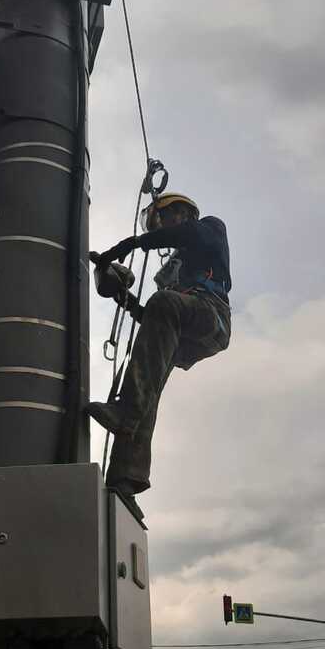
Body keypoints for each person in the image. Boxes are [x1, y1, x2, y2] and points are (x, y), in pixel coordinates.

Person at [87, 193, 231, 514]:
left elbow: (191, 236)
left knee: (163, 304)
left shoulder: (210, 228)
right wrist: (127, 301)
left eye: (162, 220)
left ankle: (126, 412)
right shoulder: (175, 273)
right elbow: (157, 321)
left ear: (181, 213)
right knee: (147, 385)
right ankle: (126, 478)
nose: (161, 229)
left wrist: (136, 243)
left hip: (213, 316)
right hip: (185, 333)